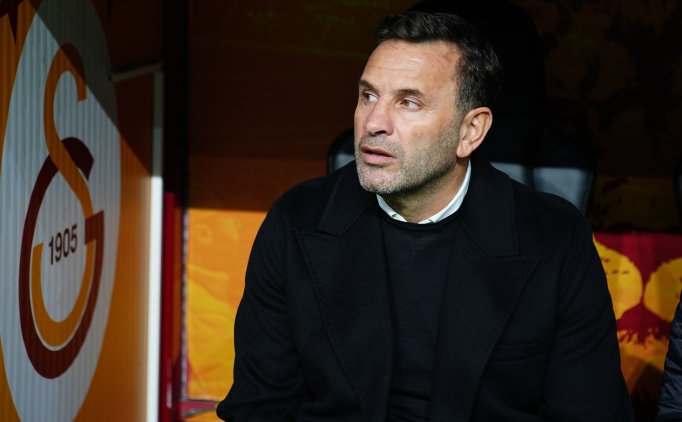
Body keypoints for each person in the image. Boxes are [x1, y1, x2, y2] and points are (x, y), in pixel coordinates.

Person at [217, 11, 633, 421]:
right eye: (368, 96)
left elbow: (590, 413)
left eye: (409, 102)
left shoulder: (556, 239)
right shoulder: (296, 221)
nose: (374, 123)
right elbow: (259, 408)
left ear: (470, 131)